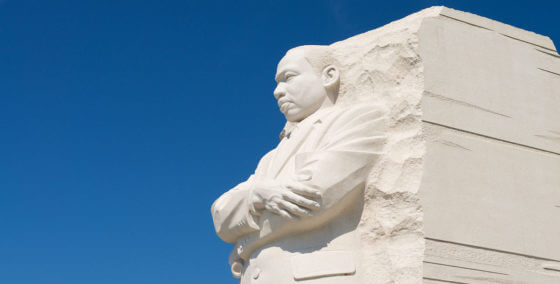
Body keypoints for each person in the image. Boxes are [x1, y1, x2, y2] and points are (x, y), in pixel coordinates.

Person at [211, 45, 387, 284]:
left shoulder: (357, 121)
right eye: (276, 83)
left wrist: (244, 241)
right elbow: (220, 215)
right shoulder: (270, 158)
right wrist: (257, 195)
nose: (277, 91)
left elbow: (312, 198)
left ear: (329, 76)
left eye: (288, 78)